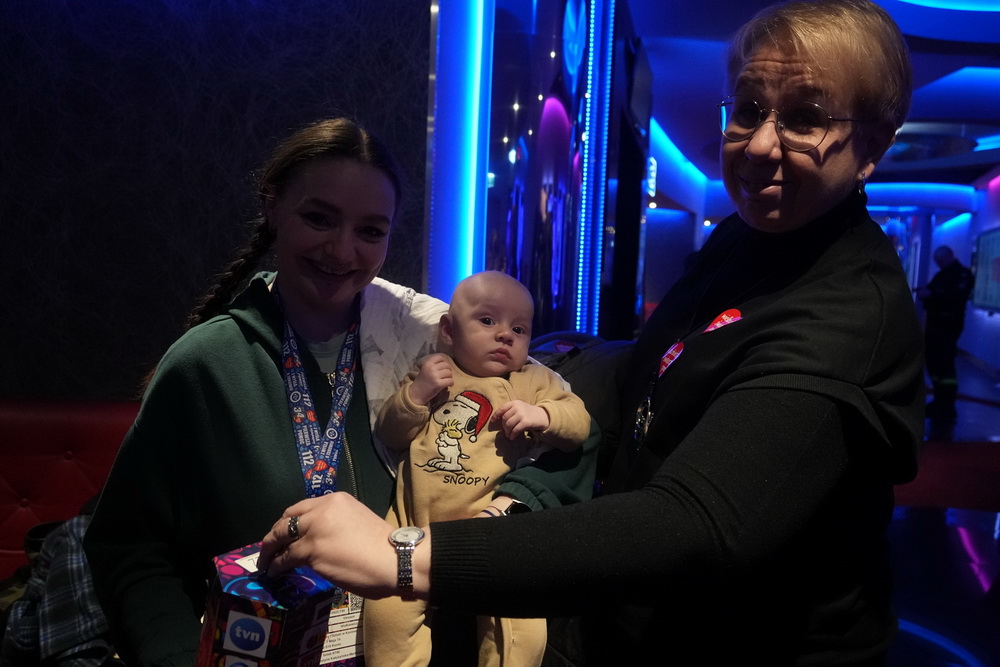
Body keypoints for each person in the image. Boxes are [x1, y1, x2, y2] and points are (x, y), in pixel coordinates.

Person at [258, 2, 926, 664]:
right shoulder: (747, 237)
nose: (758, 144)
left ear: (872, 147)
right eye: (749, 109)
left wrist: (403, 556)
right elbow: (671, 363)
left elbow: (696, 524)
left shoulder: (847, 315)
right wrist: (545, 367)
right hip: (631, 617)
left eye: (805, 119)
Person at [83, 118, 597, 667]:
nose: (342, 249)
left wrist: (506, 510)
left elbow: (572, 441)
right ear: (273, 205)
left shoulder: (420, 336)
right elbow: (129, 548)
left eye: (370, 231)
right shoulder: (207, 363)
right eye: (319, 218)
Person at [366, 271, 591, 667]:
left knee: (521, 626)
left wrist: (543, 415)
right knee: (385, 612)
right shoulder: (433, 371)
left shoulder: (533, 380)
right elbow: (391, 433)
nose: (505, 335)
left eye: (519, 329)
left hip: (492, 538)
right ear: (449, 330)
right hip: (412, 526)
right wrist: (417, 394)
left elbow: (580, 425)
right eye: (487, 321)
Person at [916, 246, 974, 420]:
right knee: (934, 363)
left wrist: (931, 295)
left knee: (945, 364)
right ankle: (939, 401)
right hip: (935, 324)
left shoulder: (963, 275)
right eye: (937, 261)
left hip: (948, 326)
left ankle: (947, 405)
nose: (939, 263)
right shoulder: (942, 275)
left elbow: (955, 297)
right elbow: (933, 293)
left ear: (949, 256)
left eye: (940, 260)